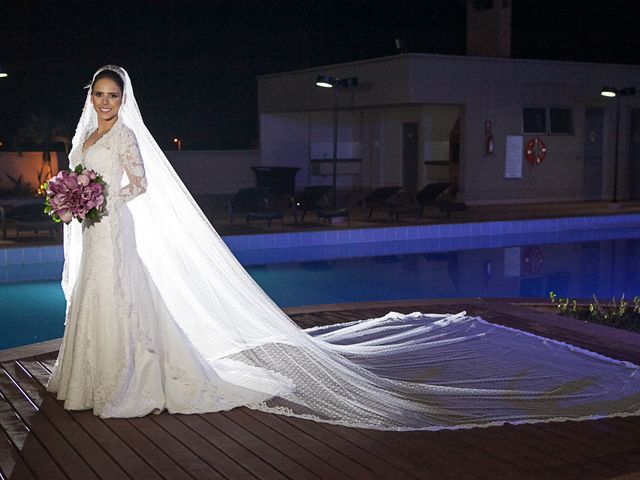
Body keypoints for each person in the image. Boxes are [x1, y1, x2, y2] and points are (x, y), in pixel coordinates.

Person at [47, 65, 640, 430]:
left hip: (115, 226)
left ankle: (130, 379)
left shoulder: (125, 135)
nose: (105, 102)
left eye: (111, 96)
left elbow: (140, 184)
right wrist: (73, 198)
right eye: (99, 94)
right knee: (93, 297)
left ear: (123, 100)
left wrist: (101, 199)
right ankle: (86, 377)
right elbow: (77, 175)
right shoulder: (82, 134)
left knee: (122, 295)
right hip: (93, 230)